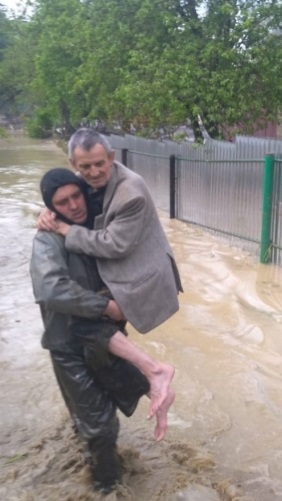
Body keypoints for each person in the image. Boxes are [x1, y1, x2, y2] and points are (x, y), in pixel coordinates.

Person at [31, 168, 172, 493]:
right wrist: (106, 307)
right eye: (62, 202)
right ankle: (106, 493)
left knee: (113, 404)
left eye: (77, 195)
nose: (74, 206)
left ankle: (96, 462)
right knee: (100, 426)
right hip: (69, 347)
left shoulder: (100, 226)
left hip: (105, 340)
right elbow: (51, 290)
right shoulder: (47, 240)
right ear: (51, 208)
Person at [37, 128, 183, 420]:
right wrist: (47, 210)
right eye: (85, 166)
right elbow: (68, 195)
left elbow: (114, 244)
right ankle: (152, 385)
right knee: (96, 337)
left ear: (112, 157)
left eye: (99, 164)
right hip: (119, 271)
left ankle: (156, 372)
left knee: (87, 322)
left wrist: (65, 229)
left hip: (140, 277)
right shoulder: (83, 183)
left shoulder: (131, 193)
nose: (93, 172)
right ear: (74, 165)